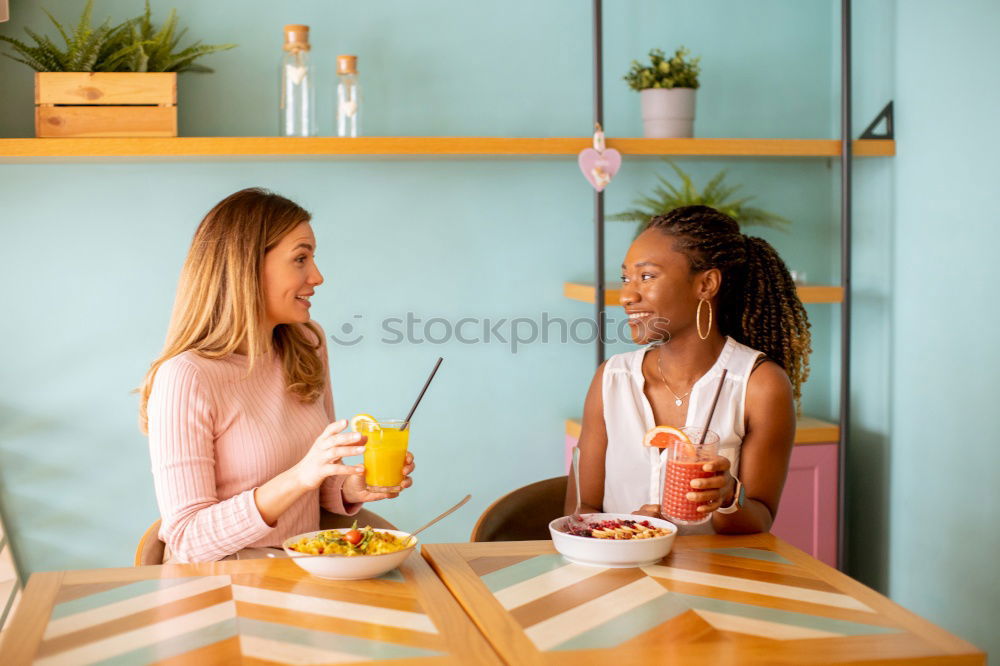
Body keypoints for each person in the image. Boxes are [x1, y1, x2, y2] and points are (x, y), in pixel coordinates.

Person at [137, 188, 414, 562]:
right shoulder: (186, 377)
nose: (317, 277)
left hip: (305, 572)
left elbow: (315, 487)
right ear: (247, 266)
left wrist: (349, 486)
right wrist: (300, 476)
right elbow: (187, 539)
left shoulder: (306, 343)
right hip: (223, 589)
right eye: (300, 258)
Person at [567, 205, 810, 534]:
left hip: (713, 580)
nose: (626, 295)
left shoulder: (759, 385)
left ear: (706, 284)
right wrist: (631, 529)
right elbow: (580, 509)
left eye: (647, 276)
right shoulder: (612, 379)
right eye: (626, 278)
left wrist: (727, 497)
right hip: (620, 575)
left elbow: (760, 520)